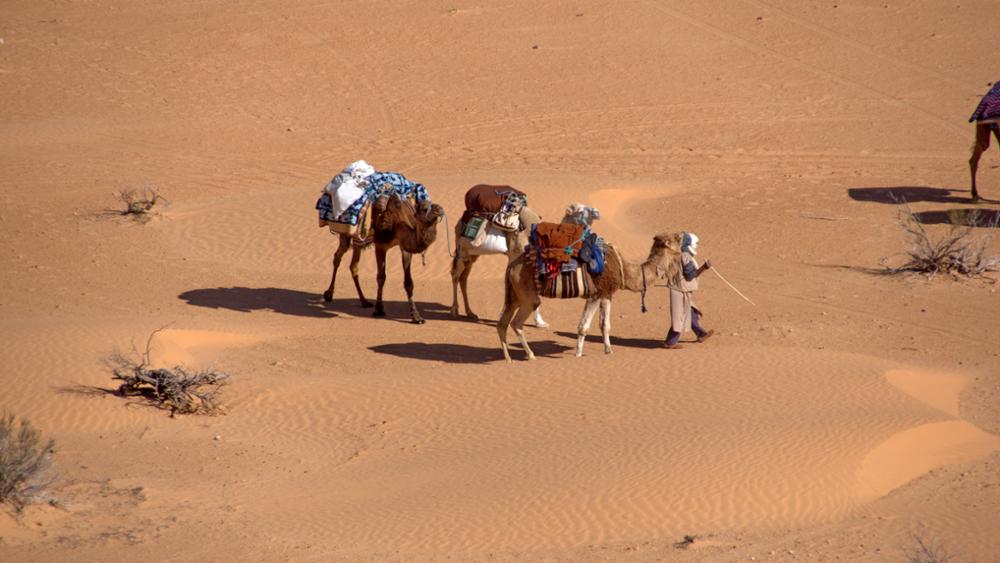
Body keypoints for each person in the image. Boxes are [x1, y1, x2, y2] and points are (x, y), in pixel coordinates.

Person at [663, 232, 714, 349]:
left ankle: (701, 334)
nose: (696, 246)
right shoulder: (685, 256)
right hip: (679, 290)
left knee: (690, 312)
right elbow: (690, 275)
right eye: (695, 243)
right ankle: (670, 342)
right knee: (680, 316)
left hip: (682, 289)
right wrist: (704, 267)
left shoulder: (681, 255)